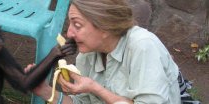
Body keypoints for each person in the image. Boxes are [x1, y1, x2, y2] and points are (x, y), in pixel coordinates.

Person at [25, 0, 181, 103]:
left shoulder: (143, 45)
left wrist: (94, 88)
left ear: (105, 26)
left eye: (77, 25)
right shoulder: (87, 54)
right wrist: (45, 91)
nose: (69, 34)